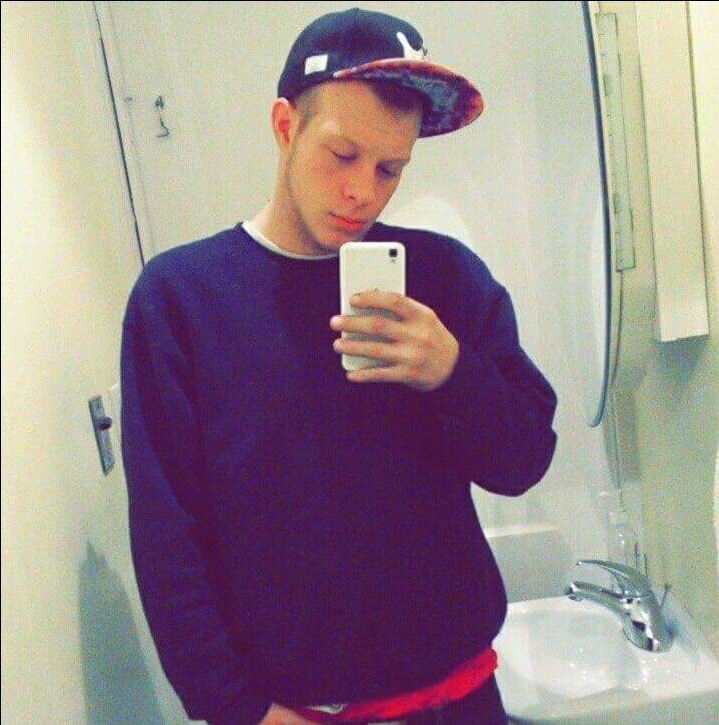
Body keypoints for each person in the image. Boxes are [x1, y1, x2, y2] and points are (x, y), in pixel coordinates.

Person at [120, 7, 558, 725]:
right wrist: (239, 708)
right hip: (298, 711)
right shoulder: (181, 299)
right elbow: (169, 534)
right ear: (285, 125)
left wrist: (452, 373)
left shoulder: (444, 276)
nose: (364, 192)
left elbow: (524, 460)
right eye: (342, 154)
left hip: (459, 696)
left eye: (390, 168)